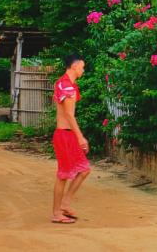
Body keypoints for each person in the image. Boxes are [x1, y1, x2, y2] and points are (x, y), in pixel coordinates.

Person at [51, 53, 91, 224]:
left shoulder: (62, 83)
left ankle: (65, 203)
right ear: (75, 66)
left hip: (66, 135)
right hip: (65, 135)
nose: (83, 70)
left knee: (84, 169)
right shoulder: (67, 86)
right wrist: (80, 137)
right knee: (64, 175)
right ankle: (56, 213)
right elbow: (68, 114)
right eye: (82, 67)